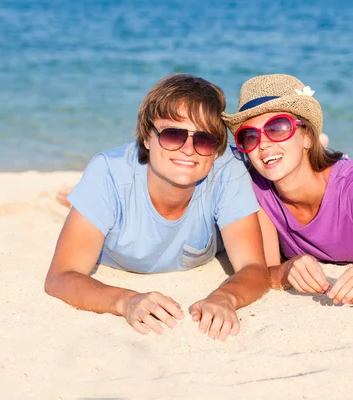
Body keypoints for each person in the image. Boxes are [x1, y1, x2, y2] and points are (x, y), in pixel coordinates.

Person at [45, 74, 270, 341]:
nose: (188, 149)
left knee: (265, 181)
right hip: (117, 187)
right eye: (173, 135)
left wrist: (225, 298)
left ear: (217, 148)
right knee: (100, 194)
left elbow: (254, 268)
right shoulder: (108, 172)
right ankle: (80, 197)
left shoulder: (226, 171)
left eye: (204, 139)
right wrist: (126, 301)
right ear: (147, 138)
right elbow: (60, 276)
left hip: (230, 190)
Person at [221, 74, 353, 305]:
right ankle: (306, 148)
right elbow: (268, 272)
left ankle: (320, 152)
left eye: (278, 128)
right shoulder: (258, 190)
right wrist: (288, 270)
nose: (264, 143)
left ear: (307, 136)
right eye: (249, 136)